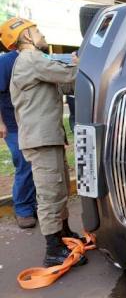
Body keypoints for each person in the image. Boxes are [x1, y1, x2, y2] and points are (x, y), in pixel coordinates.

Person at [0, 17, 87, 267]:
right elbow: (71, 73)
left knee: (58, 189)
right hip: (40, 140)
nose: (41, 33)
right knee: (49, 193)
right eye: (36, 30)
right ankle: (53, 250)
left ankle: (64, 234)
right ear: (26, 36)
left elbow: (66, 85)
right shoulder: (30, 60)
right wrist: (81, 63)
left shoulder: (35, 64)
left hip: (48, 138)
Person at [0, 48, 36, 228]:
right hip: (13, 125)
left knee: (37, 164)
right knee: (24, 163)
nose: (41, 34)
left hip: (33, 124)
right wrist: (1, 123)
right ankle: (23, 209)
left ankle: (34, 205)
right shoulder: (7, 61)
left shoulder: (34, 57)